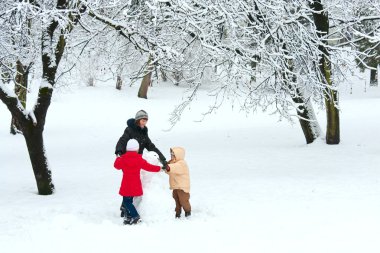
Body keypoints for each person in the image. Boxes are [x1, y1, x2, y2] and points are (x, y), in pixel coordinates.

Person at [115, 110, 167, 217]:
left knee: (132, 184)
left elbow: (151, 146)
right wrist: (119, 152)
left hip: (137, 160)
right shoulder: (130, 130)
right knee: (129, 183)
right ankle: (126, 207)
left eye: (146, 120)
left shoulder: (144, 132)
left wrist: (163, 159)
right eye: (143, 120)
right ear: (138, 120)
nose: (145, 122)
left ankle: (126, 206)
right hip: (127, 160)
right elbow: (122, 141)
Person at [114, 139, 162, 225]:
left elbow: (116, 166)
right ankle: (129, 217)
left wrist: (118, 157)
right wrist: (159, 168)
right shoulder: (139, 159)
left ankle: (135, 216)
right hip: (135, 184)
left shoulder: (123, 159)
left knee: (126, 202)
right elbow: (148, 167)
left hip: (127, 184)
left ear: (127, 149)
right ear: (136, 149)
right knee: (129, 201)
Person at [162, 147, 191, 218]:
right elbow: (169, 171)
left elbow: (175, 168)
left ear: (178, 155)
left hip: (182, 187)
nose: (171, 155)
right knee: (176, 199)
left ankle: (188, 211)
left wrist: (168, 167)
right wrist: (165, 166)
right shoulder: (172, 162)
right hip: (175, 186)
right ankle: (177, 213)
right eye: (171, 154)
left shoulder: (182, 163)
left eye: (173, 154)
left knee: (183, 201)